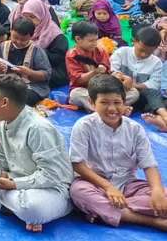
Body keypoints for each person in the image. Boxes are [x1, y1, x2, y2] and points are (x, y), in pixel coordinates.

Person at [0, 74, 74, 232]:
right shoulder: (4, 123)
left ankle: (21, 209)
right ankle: (15, 208)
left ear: (4, 102)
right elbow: (0, 160)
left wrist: (14, 185)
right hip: (14, 182)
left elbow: (52, 175)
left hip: (50, 188)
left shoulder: (38, 129)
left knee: (32, 208)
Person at [69, 74, 167, 230]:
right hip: (95, 183)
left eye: (117, 102)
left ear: (125, 102)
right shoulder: (83, 126)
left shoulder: (135, 129)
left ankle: (104, 211)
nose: (112, 109)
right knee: (78, 192)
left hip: (128, 184)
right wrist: (108, 187)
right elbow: (78, 164)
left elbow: (149, 165)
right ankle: (153, 221)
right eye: (104, 103)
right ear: (91, 103)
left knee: (162, 196)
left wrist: (157, 191)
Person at [110, 27, 167, 132]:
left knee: (154, 97)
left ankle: (163, 117)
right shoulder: (122, 53)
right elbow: (112, 72)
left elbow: (153, 85)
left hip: (139, 96)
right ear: (133, 41)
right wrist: (123, 81)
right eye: (141, 50)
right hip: (118, 92)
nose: (144, 54)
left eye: (149, 52)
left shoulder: (156, 62)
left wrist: (131, 85)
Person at [0, 17, 52, 106]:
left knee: (22, 99)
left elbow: (47, 75)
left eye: (23, 40)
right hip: (7, 83)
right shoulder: (3, 46)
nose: (18, 42)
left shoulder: (36, 51)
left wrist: (29, 72)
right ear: (10, 31)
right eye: (15, 37)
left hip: (30, 86)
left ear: (31, 36)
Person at [10, 0, 69, 88]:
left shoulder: (54, 34)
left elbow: (58, 58)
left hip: (53, 69)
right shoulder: (24, 31)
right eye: (26, 16)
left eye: (32, 17)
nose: (28, 20)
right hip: (29, 66)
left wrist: (35, 51)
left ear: (41, 16)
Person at [66, 20, 111, 111]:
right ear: (78, 39)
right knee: (76, 94)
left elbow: (108, 72)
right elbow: (78, 79)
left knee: (134, 93)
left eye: (96, 39)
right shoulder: (72, 55)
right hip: (84, 89)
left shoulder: (100, 50)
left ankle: (103, 106)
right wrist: (94, 72)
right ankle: (107, 108)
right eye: (91, 41)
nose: (94, 43)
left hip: (102, 88)